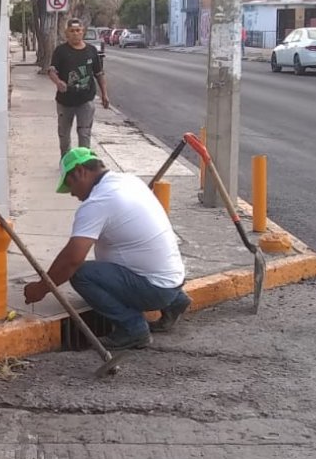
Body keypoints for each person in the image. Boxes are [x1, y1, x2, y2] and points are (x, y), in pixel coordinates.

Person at [23, 148, 192, 351]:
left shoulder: (98, 202)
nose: (72, 193)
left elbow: (72, 259)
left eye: (70, 185)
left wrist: (41, 288)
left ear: (79, 172)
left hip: (154, 289)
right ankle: (175, 302)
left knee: (81, 274)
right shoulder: (129, 180)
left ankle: (133, 329)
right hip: (173, 280)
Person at [48, 19, 110, 157]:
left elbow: (99, 74)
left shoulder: (91, 51)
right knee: (64, 135)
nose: (75, 34)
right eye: (72, 31)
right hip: (65, 101)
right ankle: (66, 161)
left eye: (78, 31)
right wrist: (58, 82)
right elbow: (51, 70)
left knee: (84, 133)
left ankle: (84, 163)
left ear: (83, 32)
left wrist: (104, 94)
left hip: (86, 100)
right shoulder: (60, 51)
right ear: (66, 33)